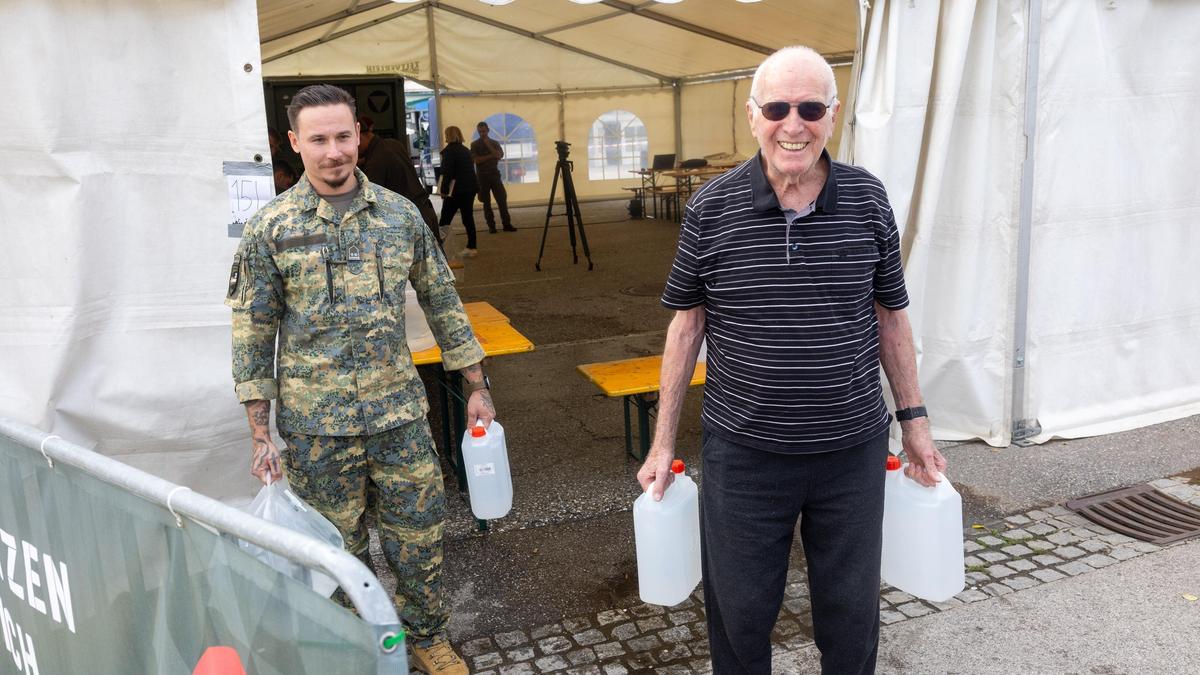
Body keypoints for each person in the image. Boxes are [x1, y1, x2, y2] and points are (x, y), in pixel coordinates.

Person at [638, 46, 947, 675]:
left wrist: (914, 424)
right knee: (741, 621)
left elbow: (891, 315)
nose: (793, 124)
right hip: (745, 457)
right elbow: (686, 326)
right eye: (778, 108)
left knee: (852, 616)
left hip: (851, 454)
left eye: (810, 108)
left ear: (832, 116)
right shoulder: (712, 209)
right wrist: (660, 443)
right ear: (753, 117)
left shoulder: (867, 200)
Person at [226, 84, 493, 675]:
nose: (332, 152)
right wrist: (259, 432)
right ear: (295, 143)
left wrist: (477, 385)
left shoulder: (399, 216)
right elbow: (253, 333)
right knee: (338, 552)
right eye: (317, 139)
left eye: (342, 136)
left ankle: (429, 638)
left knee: (419, 537)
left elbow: (443, 301)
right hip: (319, 431)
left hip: (398, 415)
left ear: (359, 136)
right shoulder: (271, 228)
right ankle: (354, 647)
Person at [357, 115, 441, 243]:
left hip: (410, 225)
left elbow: (369, 202)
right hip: (426, 214)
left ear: (360, 137)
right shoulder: (394, 144)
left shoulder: (376, 162)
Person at [437, 126, 480, 257]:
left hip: (456, 191)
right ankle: (472, 247)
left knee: (444, 221)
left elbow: (447, 173)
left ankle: (439, 249)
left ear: (448, 135)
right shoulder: (466, 150)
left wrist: (443, 190)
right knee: (468, 218)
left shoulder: (449, 152)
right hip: (470, 188)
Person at [470, 121, 516, 233]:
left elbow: (499, 155)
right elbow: (476, 160)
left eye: (484, 131)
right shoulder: (474, 145)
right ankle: (491, 226)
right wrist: (491, 155)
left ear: (488, 130)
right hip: (482, 177)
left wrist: (488, 145)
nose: (482, 133)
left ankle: (507, 224)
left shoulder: (494, 143)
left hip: (495, 175)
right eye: (480, 132)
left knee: (502, 200)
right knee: (486, 203)